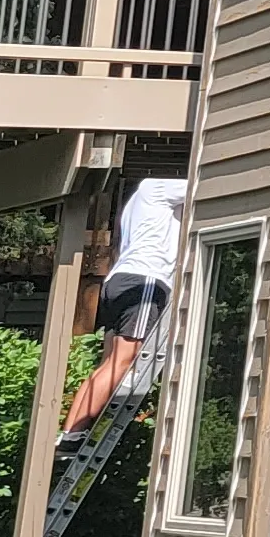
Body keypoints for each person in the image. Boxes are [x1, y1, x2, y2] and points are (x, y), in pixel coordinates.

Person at [64, 173, 188, 436]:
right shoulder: (156, 187)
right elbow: (206, 184)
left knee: (109, 364)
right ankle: (75, 432)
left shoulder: (138, 204)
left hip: (120, 281)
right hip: (144, 282)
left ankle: (69, 435)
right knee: (123, 361)